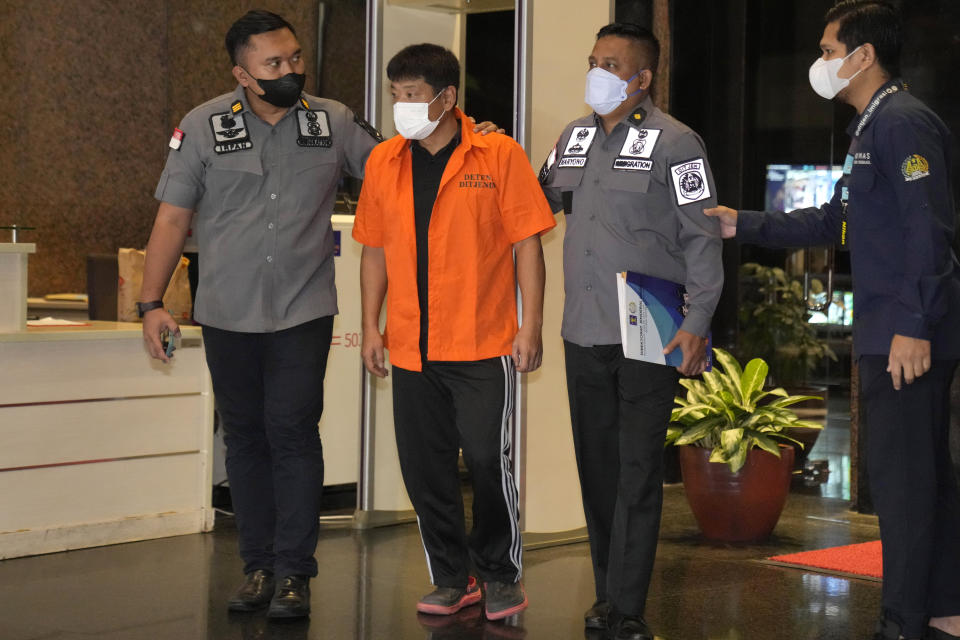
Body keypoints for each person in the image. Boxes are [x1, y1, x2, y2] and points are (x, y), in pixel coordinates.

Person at [139, 10, 499, 619]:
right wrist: (151, 304)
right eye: (273, 64)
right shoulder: (203, 127)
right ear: (242, 73)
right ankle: (258, 566)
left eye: (295, 58)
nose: (290, 71)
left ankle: (294, 576)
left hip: (303, 311)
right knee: (246, 439)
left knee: (293, 432)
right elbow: (173, 218)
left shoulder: (330, 121)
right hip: (226, 311)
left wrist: (467, 136)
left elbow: (402, 163)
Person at [705, 2, 960, 639]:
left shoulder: (902, 123)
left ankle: (902, 623)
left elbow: (930, 231)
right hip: (890, 329)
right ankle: (944, 612)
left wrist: (914, 325)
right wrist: (745, 224)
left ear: (862, 55)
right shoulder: (871, 128)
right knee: (925, 483)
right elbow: (835, 221)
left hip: (904, 334)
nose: (819, 64)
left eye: (826, 50)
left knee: (902, 490)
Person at [353, 43, 556, 621]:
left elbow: (527, 247)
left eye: (412, 96)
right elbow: (372, 251)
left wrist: (530, 325)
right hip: (411, 344)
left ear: (447, 98)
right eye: (395, 95)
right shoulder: (384, 161)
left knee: (490, 465)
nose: (401, 107)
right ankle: (452, 576)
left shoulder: (497, 154)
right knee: (425, 469)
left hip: (482, 342)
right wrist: (371, 325)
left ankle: (499, 573)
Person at [538, 23, 723, 640]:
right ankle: (605, 594)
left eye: (610, 64)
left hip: (651, 329)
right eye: (593, 60)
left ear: (642, 79)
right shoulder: (573, 136)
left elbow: (702, 237)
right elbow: (535, 200)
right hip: (583, 328)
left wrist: (697, 322)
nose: (596, 71)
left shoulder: (677, 143)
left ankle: (629, 608)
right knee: (599, 471)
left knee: (639, 471)